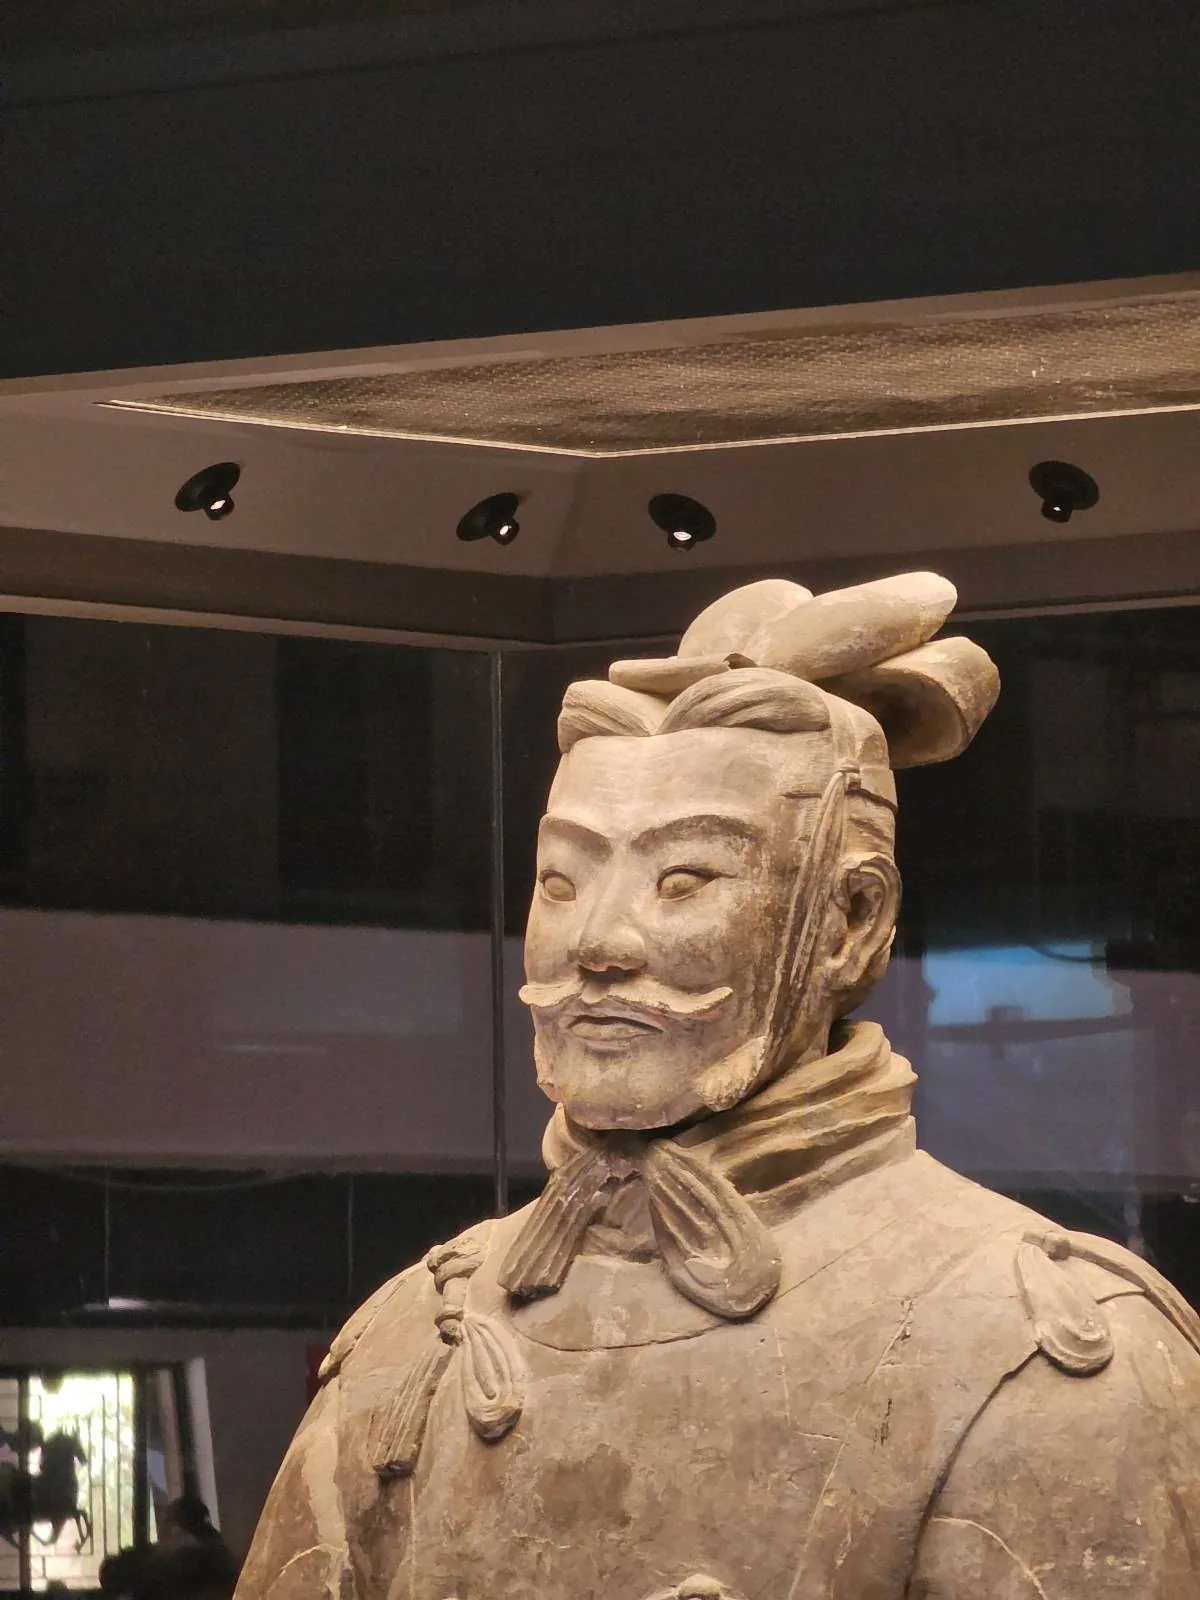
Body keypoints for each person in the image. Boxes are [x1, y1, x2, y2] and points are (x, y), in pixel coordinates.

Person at [235, 575, 1200, 1599]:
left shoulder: (1040, 1357)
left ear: (851, 922)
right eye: (563, 880)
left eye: (684, 879)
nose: (600, 940)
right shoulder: (409, 1340)